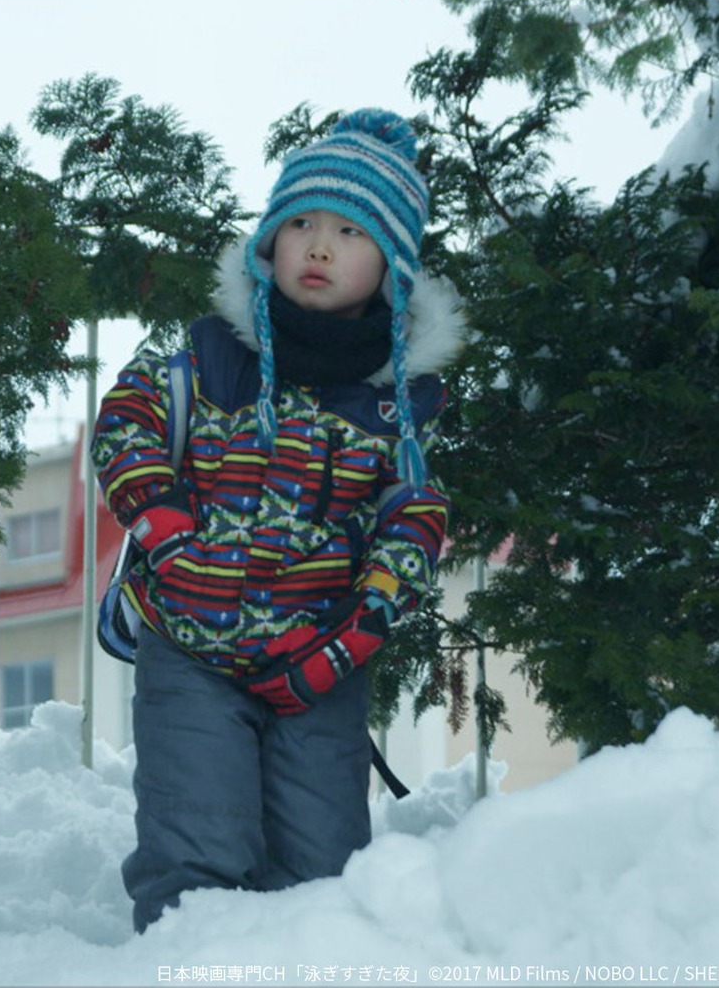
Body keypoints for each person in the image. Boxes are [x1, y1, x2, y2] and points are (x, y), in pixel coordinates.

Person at [90, 108, 467, 933]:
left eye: (348, 232)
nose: (320, 246)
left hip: (317, 659)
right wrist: (164, 526)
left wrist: (363, 624)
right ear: (270, 242)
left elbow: (413, 515)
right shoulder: (209, 352)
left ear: (392, 269)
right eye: (300, 223)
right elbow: (127, 420)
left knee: (323, 864)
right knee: (198, 835)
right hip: (190, 640)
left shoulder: (395, 406)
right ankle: (189, 961)